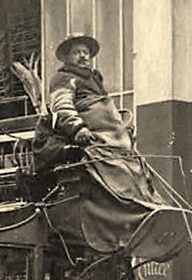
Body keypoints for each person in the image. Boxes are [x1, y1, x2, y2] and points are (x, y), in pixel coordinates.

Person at [34, 33, 156, 203]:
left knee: (138, 169)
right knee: (116, 171)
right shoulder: (63, 78)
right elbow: (62, 106)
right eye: (77, 52)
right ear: (67, 57)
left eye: (85, 52)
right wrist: (78, 128)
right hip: (87, 139)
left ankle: (142, 201)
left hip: (111, 141)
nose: (83, 56)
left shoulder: (94, 80)